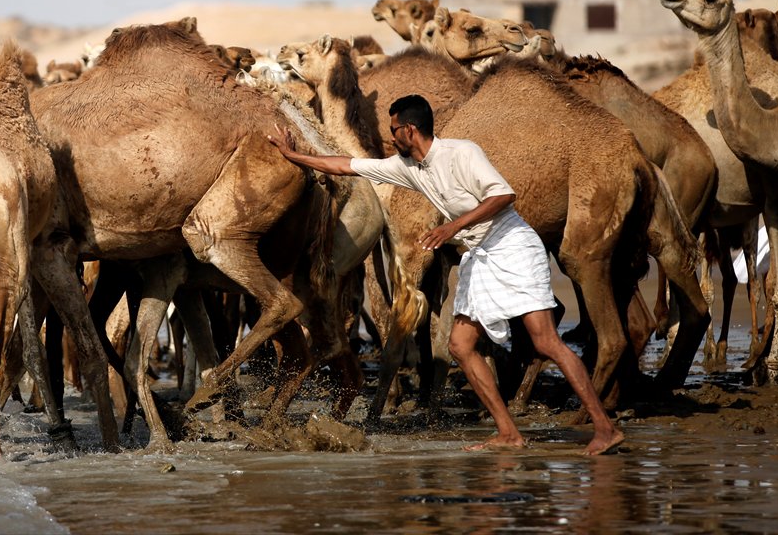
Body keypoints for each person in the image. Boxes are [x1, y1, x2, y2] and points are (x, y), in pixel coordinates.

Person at [266, 93, 624, 456]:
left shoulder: (462, 152)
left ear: (409, 129)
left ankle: (605, 429)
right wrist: (295, 156)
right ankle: (509, 433)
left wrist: (452, 227)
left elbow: (503, 195)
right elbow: (347, 165)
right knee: (461, 346)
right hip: (482, 256)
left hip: (514, 246)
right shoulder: (408, 167)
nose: (391, 138)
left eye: (394, 130)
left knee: (546, 342)